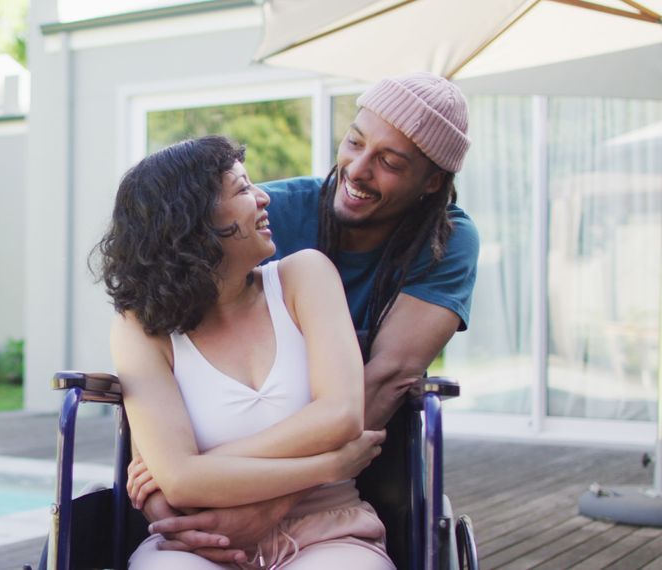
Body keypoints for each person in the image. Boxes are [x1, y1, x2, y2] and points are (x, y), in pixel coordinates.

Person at [136, 72, 480, 563]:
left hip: (355, 464)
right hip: (224, 443)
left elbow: (382, 382)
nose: (358, 169)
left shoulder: (446, 243)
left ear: (431, 183)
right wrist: (167, 468)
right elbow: (167, 324)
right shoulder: (261, 214)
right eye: (355, 142)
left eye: (389, 162)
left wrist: (266, 502)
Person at [94, 134, 395, 568]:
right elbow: (177, 483)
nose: (263, 197)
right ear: (191, 224)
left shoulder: (304, 276)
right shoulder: (139, 327)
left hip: (329, 528)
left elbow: (342, 416)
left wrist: (195, 470)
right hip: (200, 540)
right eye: (242, 189)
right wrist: (327, 466)